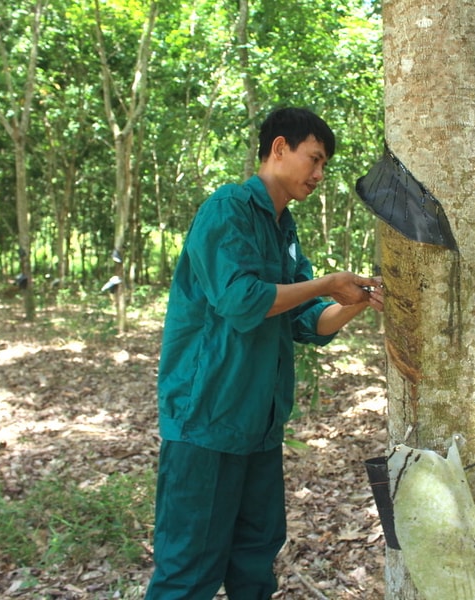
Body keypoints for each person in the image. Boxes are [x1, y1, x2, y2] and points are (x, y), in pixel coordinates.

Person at [146, 107, 383, 599]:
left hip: (259, 425)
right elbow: (241, 299)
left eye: (324, 166)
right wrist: (327, 283)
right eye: (314, 160)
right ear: (279, 148)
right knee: (188, 572)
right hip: (208, 420)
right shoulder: (226, 209)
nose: (319, 175)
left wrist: (354, 302)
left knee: (255, 563)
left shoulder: (284, 228)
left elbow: (305, 318)